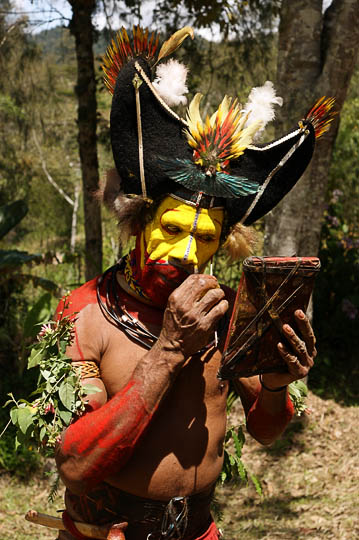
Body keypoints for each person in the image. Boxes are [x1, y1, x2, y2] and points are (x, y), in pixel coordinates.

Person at [54, 26, 333, 540]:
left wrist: (275, 383)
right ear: (139, 222)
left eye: (203, 237)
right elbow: (75, 464)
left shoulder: (226, 311)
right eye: (174, 228)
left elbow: (267, 431)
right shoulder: (85, 311)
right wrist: (169, 349)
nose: (186, 252)